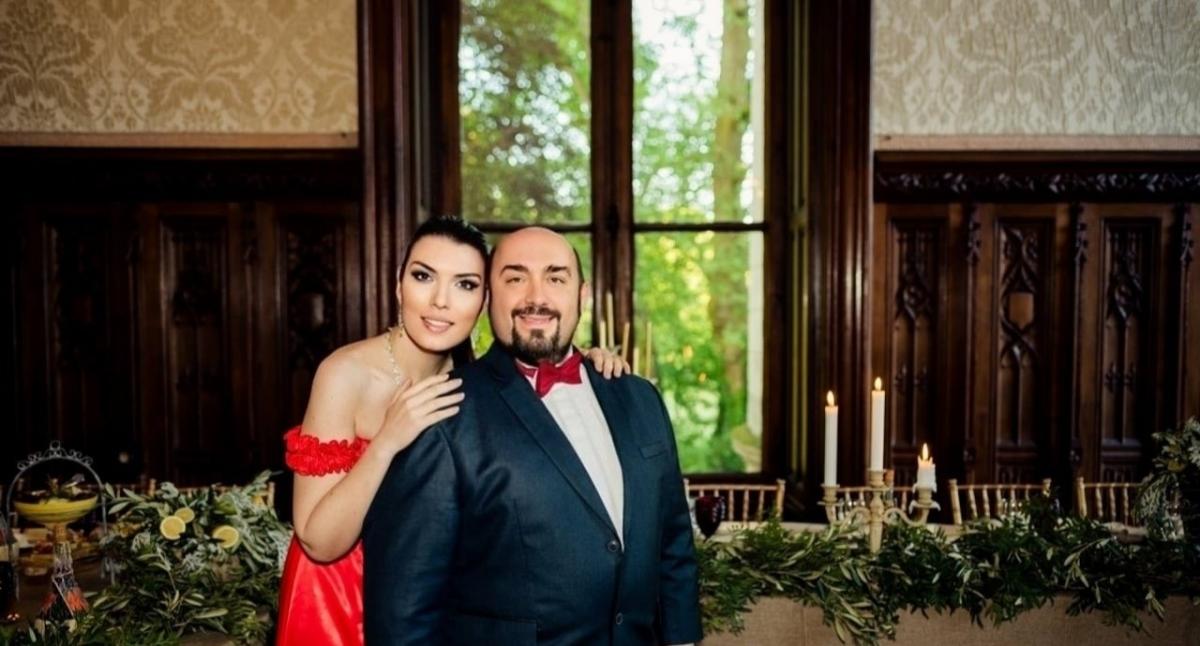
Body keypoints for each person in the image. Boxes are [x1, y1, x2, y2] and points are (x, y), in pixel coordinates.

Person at [275, 216, 629, 646]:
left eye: (464, 284)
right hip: (339, 599)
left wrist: (591, 364)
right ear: (399, 284)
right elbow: (319, 543)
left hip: (434, 603)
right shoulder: (345, 374)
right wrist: (386, 442)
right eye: (424, 276)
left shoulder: (475, 378)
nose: (440, 301)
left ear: (484, 301)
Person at [363, 227, 702, 645]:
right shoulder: (443, 412)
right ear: (489, 298)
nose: (536, 297)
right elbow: (402, 605)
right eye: (515, 278)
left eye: (556, 277)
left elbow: (673, 544)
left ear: (583, 296)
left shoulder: (641, 398)